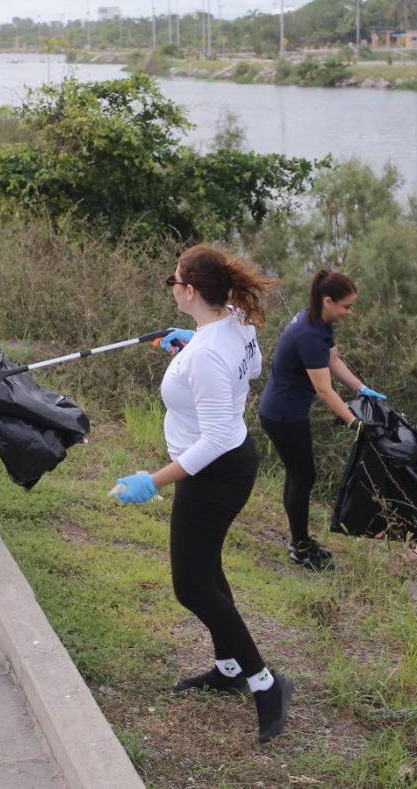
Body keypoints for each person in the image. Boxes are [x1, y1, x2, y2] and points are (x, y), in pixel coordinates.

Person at [110, 245, 294, 744]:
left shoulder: (212, 350)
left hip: (214, 472)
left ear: (191, 290)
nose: (171, 287)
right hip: (225, 465)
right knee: (206, 570)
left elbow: (212, 438)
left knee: (191, 586)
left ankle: (266, 683)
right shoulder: (235, 321)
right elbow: (251, 368)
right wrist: (191, 342)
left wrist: (154, 479)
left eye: (173, 281)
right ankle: (229, 669)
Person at [257, 269, 385, 571]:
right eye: (346, 306)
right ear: (328, 301)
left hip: (281, 411)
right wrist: (356, 424)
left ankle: (298, 541)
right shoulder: (310, 335)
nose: (349, 312)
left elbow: (333, 360)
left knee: (298, 475)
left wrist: (361, 388)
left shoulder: (316, 321)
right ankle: (300, 547)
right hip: (284, 416)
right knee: (304, 477)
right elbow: (325, 390)